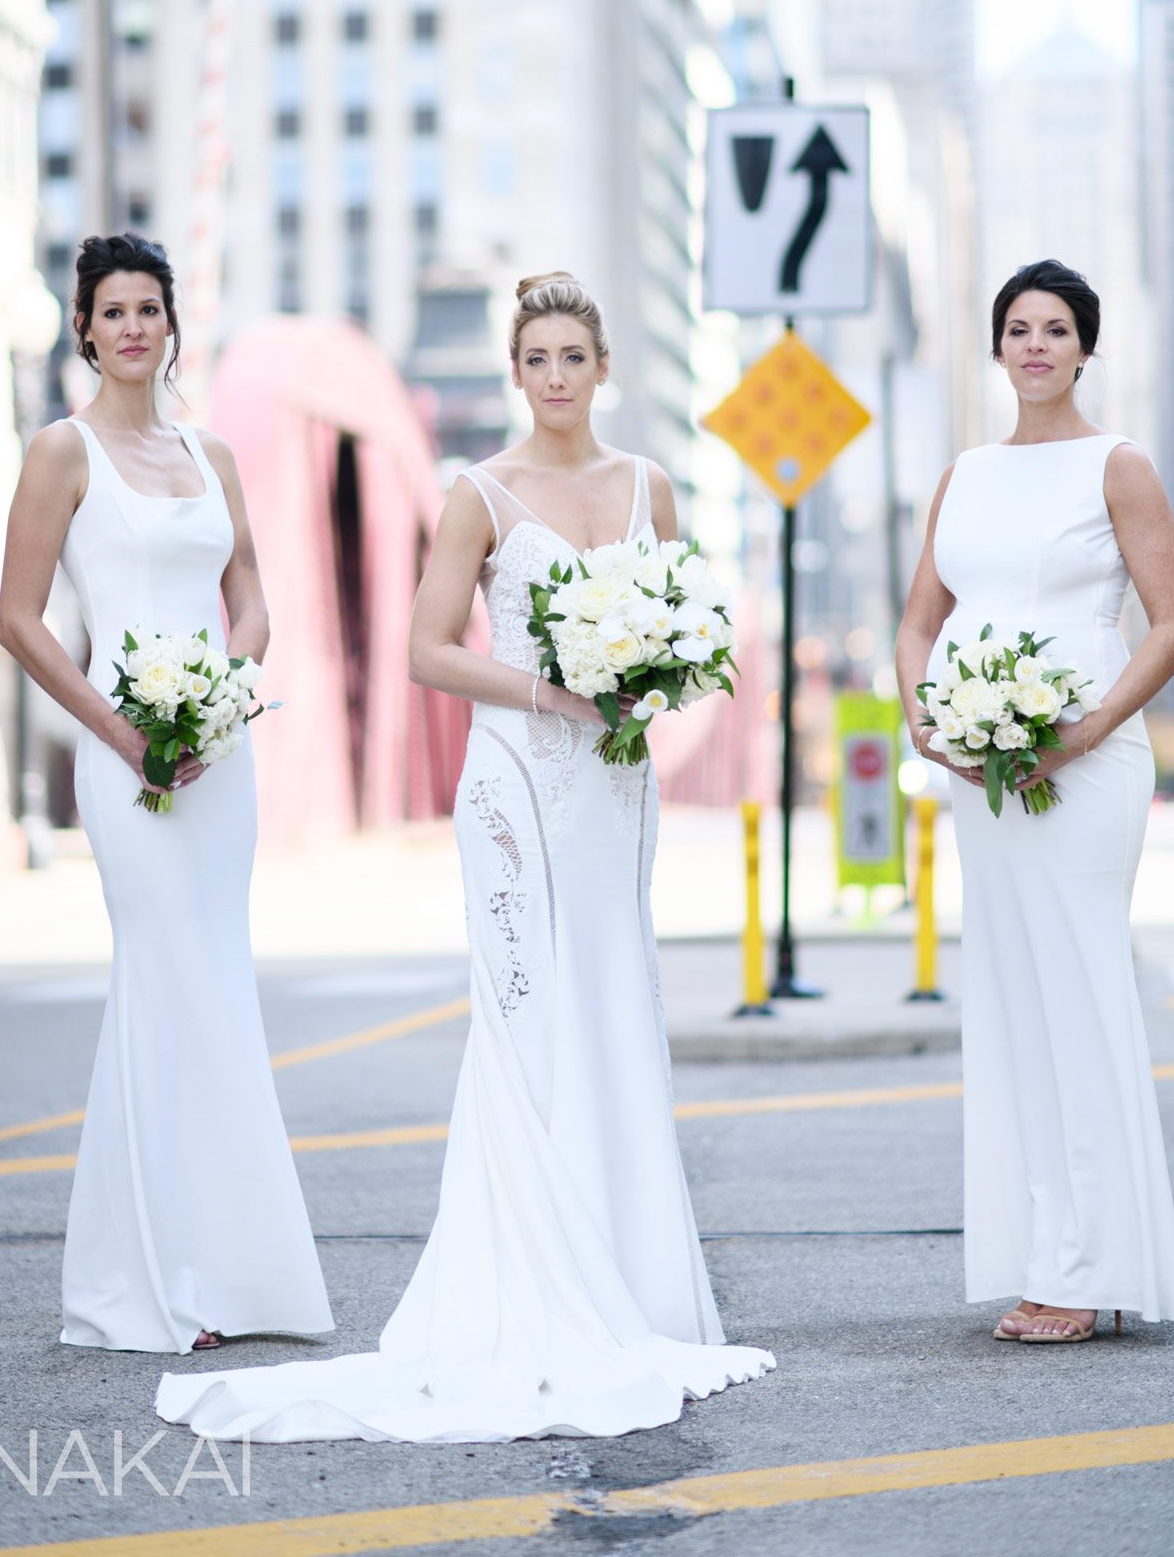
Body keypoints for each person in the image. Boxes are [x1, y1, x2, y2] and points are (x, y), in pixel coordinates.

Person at [156, 271, 773, 1442]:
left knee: (613, 1001)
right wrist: (557, 689)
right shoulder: (479, 492)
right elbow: (428, 651)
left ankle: (633, 1284)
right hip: (518, 787)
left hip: (614, 784)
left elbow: (687, 628)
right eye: (534, 358)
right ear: (515, 371)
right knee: (527, 1015)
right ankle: (532, 1277)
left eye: (572, 358)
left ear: (603, 369)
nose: (554, 377)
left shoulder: (653, 485)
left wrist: (649, 684)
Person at [0, 233, 331, 1356]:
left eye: (150, 308)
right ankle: (144, 1284)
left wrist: (221, 704)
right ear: (83, 326)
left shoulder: (211, 454)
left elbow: (254, 606)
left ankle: (242, 1276)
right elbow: (21, 619)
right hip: (121, 752)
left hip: (217, 755)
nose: (133, 326)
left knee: (217, 987)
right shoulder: (62, 450)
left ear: (171, 325)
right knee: (162, 980)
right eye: (112, 310)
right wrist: (126, 730)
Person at [895, 258, 1174, 1343]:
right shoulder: (964, 471)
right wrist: (929, 720)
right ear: (996, 345)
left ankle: (1093, 1264)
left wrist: (1085, 729)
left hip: (1087, 767)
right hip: (984, 774)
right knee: (1017, 1006)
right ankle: (1046, 1253)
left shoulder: (1118, 466)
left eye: (1055, 328)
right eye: (1017, 327)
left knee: (1078, 996)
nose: (1034, 345)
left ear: (1084, 346)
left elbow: (1173, 625)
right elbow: (918, 621)